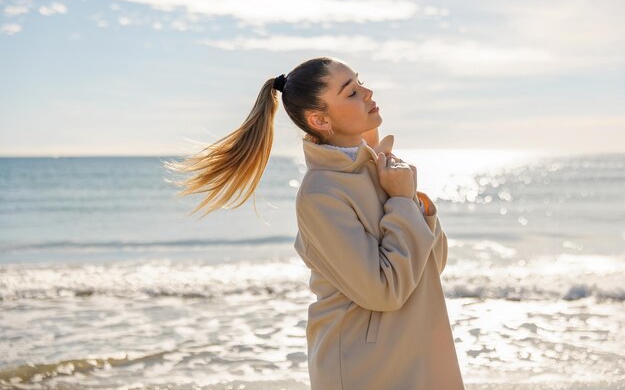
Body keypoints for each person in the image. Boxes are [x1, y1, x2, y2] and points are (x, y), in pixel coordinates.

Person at [164, 56, 466, 390]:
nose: (367, 92)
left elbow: (430, 268)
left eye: (360, 82)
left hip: (419, 354)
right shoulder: (321, 193)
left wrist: (412, 201)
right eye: (351, 92)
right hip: (366, 367)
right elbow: (384, 293)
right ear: (320, 119)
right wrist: (399, 200)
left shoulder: (380, 170)